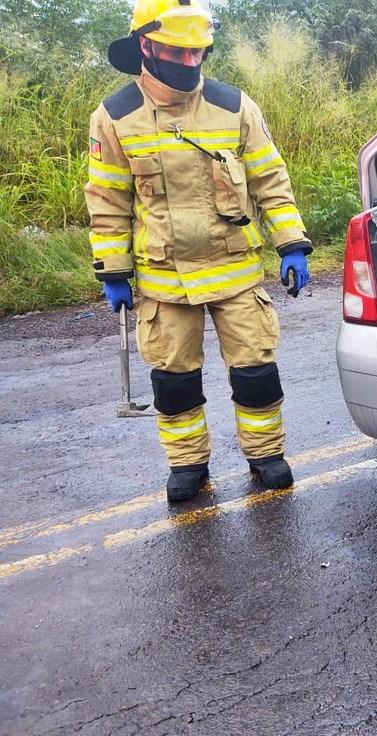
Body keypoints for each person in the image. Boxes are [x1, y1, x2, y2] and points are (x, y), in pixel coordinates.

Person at [86, 0, 313, 503]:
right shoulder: (116, 116)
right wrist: (113, 269)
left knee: (256, 372)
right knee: (175, 382)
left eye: (198, 53)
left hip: (234, 267)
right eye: (178, 52)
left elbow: (271, 181)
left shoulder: (234, 106)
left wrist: (292, 243)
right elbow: (106, 200)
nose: (190, 63)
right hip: (165, 278)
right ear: (146, 45)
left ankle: (266, 454)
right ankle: (188, 466)